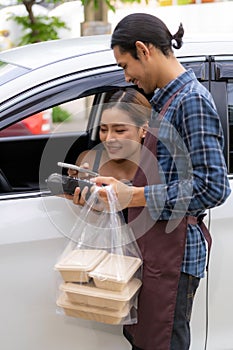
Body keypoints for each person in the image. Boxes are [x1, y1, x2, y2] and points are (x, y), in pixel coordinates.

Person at [89, 13, 231, 350]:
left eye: (126, 65)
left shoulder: (190, 101)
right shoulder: (164, 100)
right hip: (154, 248)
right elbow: (162, 171)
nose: (127, 76)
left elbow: (213, 186)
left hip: (175, 253)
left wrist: (134, 195)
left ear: (143, 49)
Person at [67, 88, 151, 204]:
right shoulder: (88, 161)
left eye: (119, 130)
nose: (108, 139)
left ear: (144, 129)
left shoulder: (161, 166)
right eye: (103, 129)